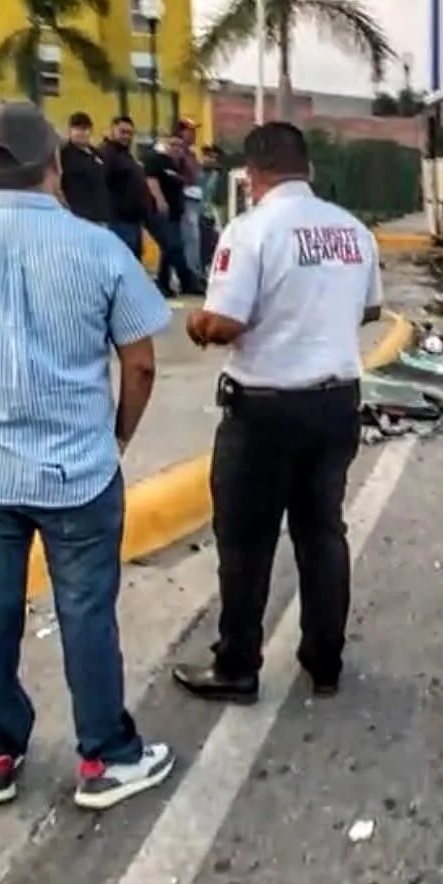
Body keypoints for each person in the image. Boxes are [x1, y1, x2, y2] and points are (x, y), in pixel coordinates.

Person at [0, 100, 176, 811]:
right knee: (87, 612)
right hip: (79, 467)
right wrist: (117, 438)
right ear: (54, 163)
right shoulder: (100, 250)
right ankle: (105, 757)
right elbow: (140, 364)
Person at [171, 122, 382, 704]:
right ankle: (325, 661)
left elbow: (225, 323)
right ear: (307, 168)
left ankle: (237, 667)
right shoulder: (353, 230)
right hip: (335, 405)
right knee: (323, 535)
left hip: (263, 413)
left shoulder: (250, 230)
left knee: (246, 544)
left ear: (252, 175)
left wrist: (197, 323)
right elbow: (370, 309)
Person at [141, 128, 204, 298]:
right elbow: (151, 180)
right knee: (171, 245)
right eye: (173, 144)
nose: (177, 149)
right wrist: (160, 200)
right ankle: (185, 280)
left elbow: (188, 180)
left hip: (176, 213)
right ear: (166, 143)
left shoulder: (176, 163)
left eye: (180, 146)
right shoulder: (155, 159)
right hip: (160, 212)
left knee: (169, 249)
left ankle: (166, 283)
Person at [99, 116, 150, 256]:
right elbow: (101, 182)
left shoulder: (125, 154)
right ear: (112, 130)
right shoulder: (107, 153)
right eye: (122, 132)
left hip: (133, 221)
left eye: (130, 133)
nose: (126, 136)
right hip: (118, 220)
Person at [59, 111, 111, 224]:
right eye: (78, 129)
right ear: (70, 131)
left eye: (85, 129)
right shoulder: (64, 155)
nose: (82, 133)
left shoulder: (97, 154)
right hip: (78, 217)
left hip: (101, 217)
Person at [173, 121, 205, 274]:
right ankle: (191, 272)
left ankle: (195, 269)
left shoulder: (192, 153)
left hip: (196, 198)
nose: (193, 134)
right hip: (185, 199)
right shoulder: (177, 153)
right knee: (190, 237)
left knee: (196, 237)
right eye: (190, 131)